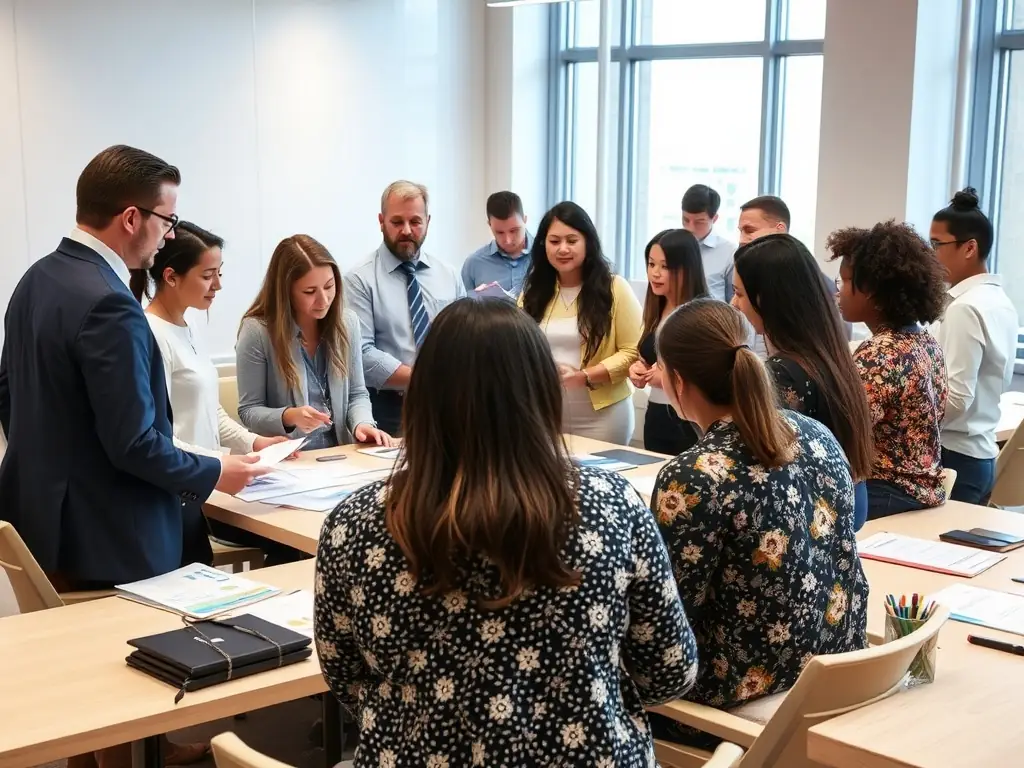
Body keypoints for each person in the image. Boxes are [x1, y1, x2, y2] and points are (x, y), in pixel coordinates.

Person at [314, 298, 699, 765]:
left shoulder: (352, 524)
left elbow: (344, 677)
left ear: (424, 396)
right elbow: (669, 671)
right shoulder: (613, 505)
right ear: (542, 392)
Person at [0, 146, 265, 768]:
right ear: (130, 217)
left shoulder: (36, 278)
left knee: (85, 700)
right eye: (167, 221)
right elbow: (134, 444)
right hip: (106, 537)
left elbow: (9, 394)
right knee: (119, 701)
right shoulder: (109, 302)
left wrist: (55, 457)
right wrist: (214, 472)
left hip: (40, 522)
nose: (168, 234)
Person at [648, 298, 868, 747]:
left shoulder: (693, 476)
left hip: (732, 698)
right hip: (833, 674)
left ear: (677, 381)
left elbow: (665, 620)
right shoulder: (815, 434)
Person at [131, 222, 305, 566]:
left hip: (205, 483)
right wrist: (218, 464)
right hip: (184, 489)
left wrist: (254, 443)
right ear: (170, 277)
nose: (218, 285)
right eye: (208, 275)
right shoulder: (150, 333)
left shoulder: (188, 324)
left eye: (219, 273)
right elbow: (159, 434)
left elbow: (213, 413)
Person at [731, 233, 874, 529]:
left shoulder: (782, 374)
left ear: (764, 299)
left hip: (808, 527)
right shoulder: (830, 357)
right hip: (845, 513)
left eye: (740, 294)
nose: (734, 304)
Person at [829, 221, 949, 518]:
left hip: (886, 492)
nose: (838, 292)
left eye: (844, 282)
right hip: (924, 488)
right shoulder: (926, 342)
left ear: (870, 291)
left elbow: (845, 432)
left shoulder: (880, 353)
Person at [236, 235, 390, 451]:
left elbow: (357, 393)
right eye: (309, 292)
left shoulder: (347, 323)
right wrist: (288, 416)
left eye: (329, 286)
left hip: (340, 455)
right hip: (288, 458)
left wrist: (362, 424)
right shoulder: (257, 331)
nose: (324, 300)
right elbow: (249, 410)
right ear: (285, 292)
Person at [345, 181, 466, 435]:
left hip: (446, 403)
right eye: (397, 222)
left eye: (415, 221)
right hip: (388, 409)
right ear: (381, 221)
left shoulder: (449, 275)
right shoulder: (359, 279)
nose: (407, 230)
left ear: (428, 221)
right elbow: (361, 354)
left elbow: (465, 339)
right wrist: (424, 377)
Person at [520, 201, 641, 444]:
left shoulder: (615, 288)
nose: (563, 249)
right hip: (546, 413)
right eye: (554, 241)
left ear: (588, 242)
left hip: (604, 416)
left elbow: (633, 351)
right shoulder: (532, 293)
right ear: (543, 245)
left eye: (572, 240)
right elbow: (519, 348)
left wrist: (585, 376)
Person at [930, 189, 1018, 504]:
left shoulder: (965, 308)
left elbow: (956, 398)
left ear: (969, 248)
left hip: (955, 457)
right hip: (980, 456)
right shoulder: (999, 301)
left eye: (937, 245)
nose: (931, 254)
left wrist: (909, 424)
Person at [628, 229, 707, 455]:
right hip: (657, 413)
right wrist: (638, 368)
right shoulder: (657, 307)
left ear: (686, 269)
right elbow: (647, 356)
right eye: (651, 264)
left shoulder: (702, 312)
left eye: (665, 267)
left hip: (689, 420)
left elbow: (708, 370)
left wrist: (666, 377)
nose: (655, 273)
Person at [461, 190, 532, 297]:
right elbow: (464, 310)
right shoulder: (473, 264)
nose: (508, 240)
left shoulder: (546, 256)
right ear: (489, 225)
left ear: (525, 220)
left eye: (514, 230)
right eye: (499, 232)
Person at [681, 184, 736, 302]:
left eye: (699, 222)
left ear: (714, 219)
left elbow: (734, 303)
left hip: (712, 318)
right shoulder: (672, 246)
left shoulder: (729, 252)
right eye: (685, 220)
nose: (690, 228)